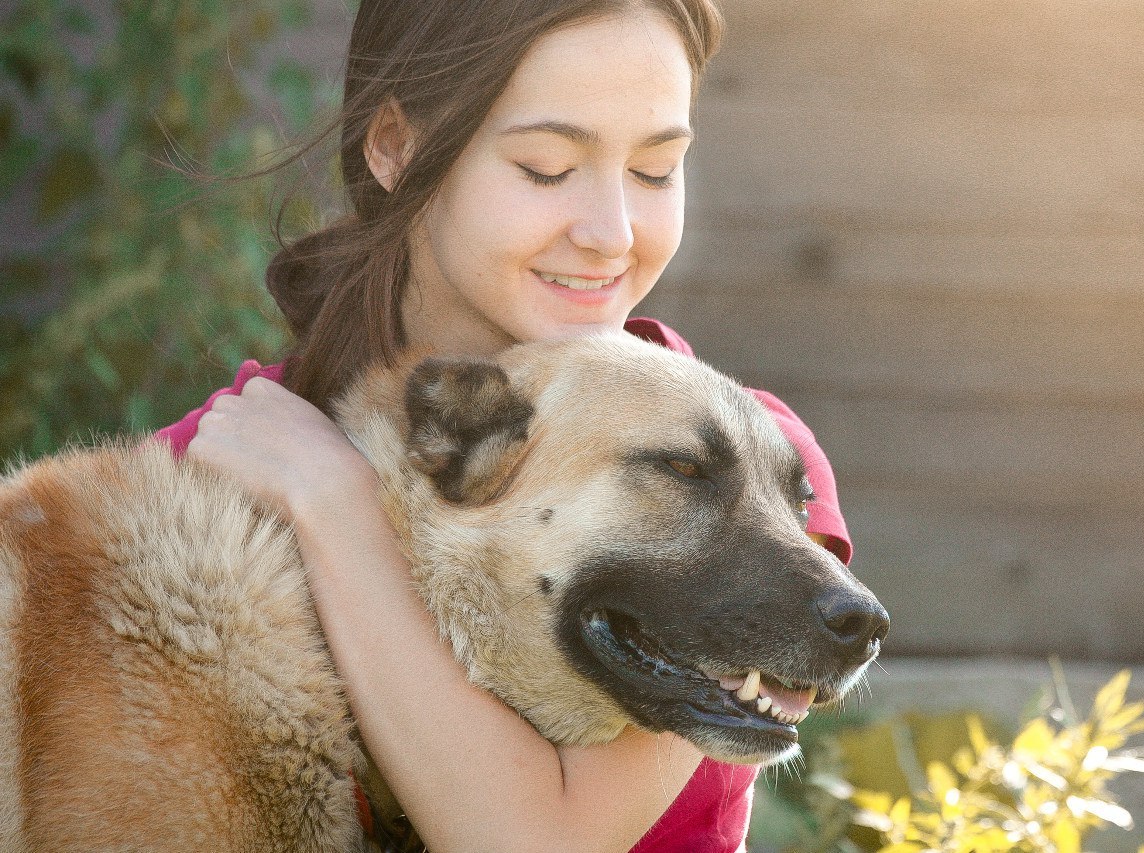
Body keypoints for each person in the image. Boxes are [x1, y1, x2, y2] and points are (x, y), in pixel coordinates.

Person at [158, 1, 853, 850]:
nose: (612, 233)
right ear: (394, 147)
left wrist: (338, 507)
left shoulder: (752, 463)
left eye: (656, 169)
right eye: (547, 166)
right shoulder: (210, 473)